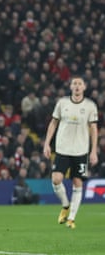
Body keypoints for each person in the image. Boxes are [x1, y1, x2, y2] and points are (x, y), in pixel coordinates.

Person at [43, 76, 98, 229]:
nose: (77, 86)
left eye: (80, 83)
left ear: (84, 87)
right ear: (71, 87)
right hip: (62, 149)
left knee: (77, 182)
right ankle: (65, 205)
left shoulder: (90, 106)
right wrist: (47, 143)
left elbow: (93, 129)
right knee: (56, 179)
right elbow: (53, 123)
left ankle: (71, 219)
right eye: (74, 83)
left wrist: (93, 151)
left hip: (80, 150)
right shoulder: (62, 103)